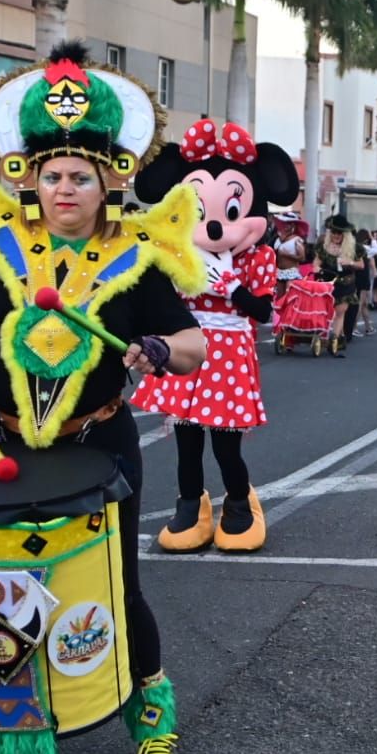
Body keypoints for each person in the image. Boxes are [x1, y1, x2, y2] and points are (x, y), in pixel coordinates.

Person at [0, 41, 207, 754]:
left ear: (109, 181)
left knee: (115, 584)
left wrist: (154, 347)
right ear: (30, 179)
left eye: (81, 176)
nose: (65, 188)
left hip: (99, 443)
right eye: (52, 176)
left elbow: (192, 344)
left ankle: (151, 719)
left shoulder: (136, 257)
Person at [130, 117, 296, 554]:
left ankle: (239, 503)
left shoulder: (256, 258)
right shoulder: (178, 256)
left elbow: (263, 309)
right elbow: (158, 303)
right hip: (187, 346)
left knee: (225, 445)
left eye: (232, 212)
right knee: (185, 442)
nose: (217, 228)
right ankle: (190, 505)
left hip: (229, 351)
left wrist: (232, 287)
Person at [315, 214, 363, 357]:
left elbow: (361, 265)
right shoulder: (323, 247)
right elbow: (316, 263)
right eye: (333, 232)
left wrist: (350, 263)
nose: (336, 235)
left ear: (345, 234)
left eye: (339, 232)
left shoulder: (354, 248)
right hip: (327, 284)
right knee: (326, 312)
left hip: (345, 284)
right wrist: (317, 269)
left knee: (339, 312)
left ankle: (334, 339)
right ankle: (336, 336)